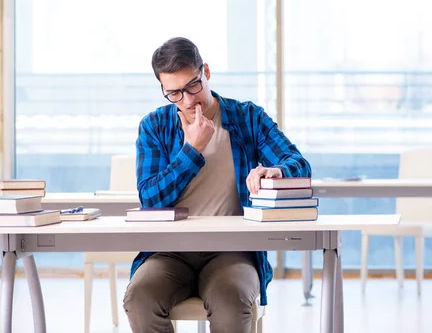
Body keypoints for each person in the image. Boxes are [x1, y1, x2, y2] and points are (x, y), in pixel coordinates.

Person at [123, 37, 311, 333]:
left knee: (230, 299)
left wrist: (276, 170)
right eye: (174, 93)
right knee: (140, 298)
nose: (187, 100)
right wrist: (191, 151)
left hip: (231, 249)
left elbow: (299, 164)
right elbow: (150, 197)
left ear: (206, 72)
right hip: (169, 251)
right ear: (163, 90)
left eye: (192, 85)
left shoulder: (247, 117)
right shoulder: (155, 126)